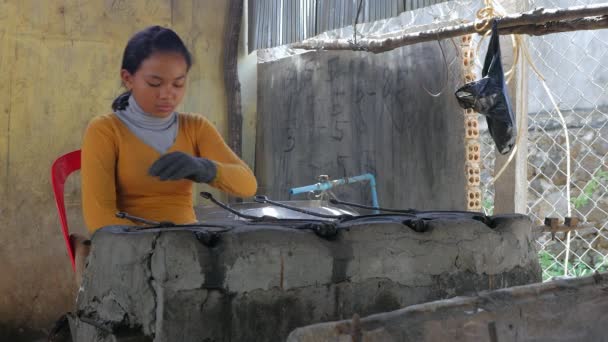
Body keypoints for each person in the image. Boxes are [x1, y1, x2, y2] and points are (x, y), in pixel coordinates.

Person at [81, 25, 257, 234]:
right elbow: (100, 219)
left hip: (187, 245)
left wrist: (204, 168)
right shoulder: (105, 130)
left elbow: (248, 185)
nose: (167, 94)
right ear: (128, 79)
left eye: (178, 84)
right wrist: (157, 247)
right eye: (154, 83)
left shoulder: (195, 127)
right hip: (128, 250)